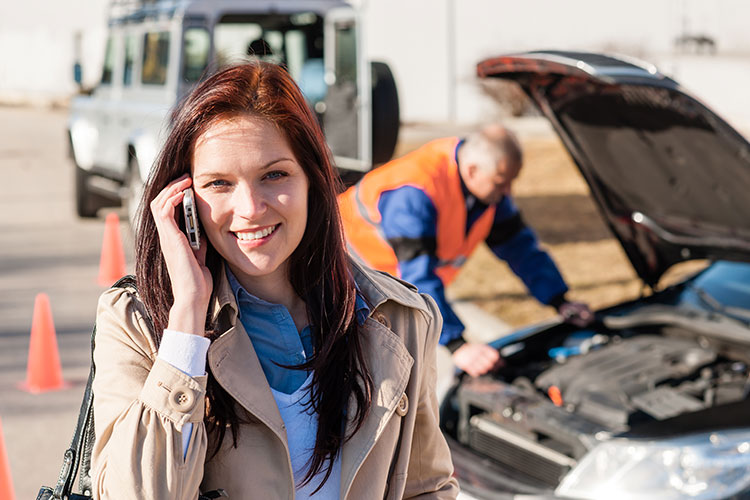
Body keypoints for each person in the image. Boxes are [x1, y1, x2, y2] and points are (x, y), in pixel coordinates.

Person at [90, 62, 458, 499]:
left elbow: (426, 487)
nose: (249, 208)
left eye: (274, 175)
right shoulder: (138, 324)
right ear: (185, 201)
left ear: (312, 181)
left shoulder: (398, 318)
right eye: (219, 183)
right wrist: (187, 319)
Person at [339, 125, 592, 378]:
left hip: (387, 285)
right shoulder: (415, 192)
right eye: (502, 183)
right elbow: (416, 277)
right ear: (472, 171)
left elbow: (521, 249)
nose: (508, 192)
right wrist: (456, 345)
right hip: (342, 275)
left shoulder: (488, 190)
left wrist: (560, 300)